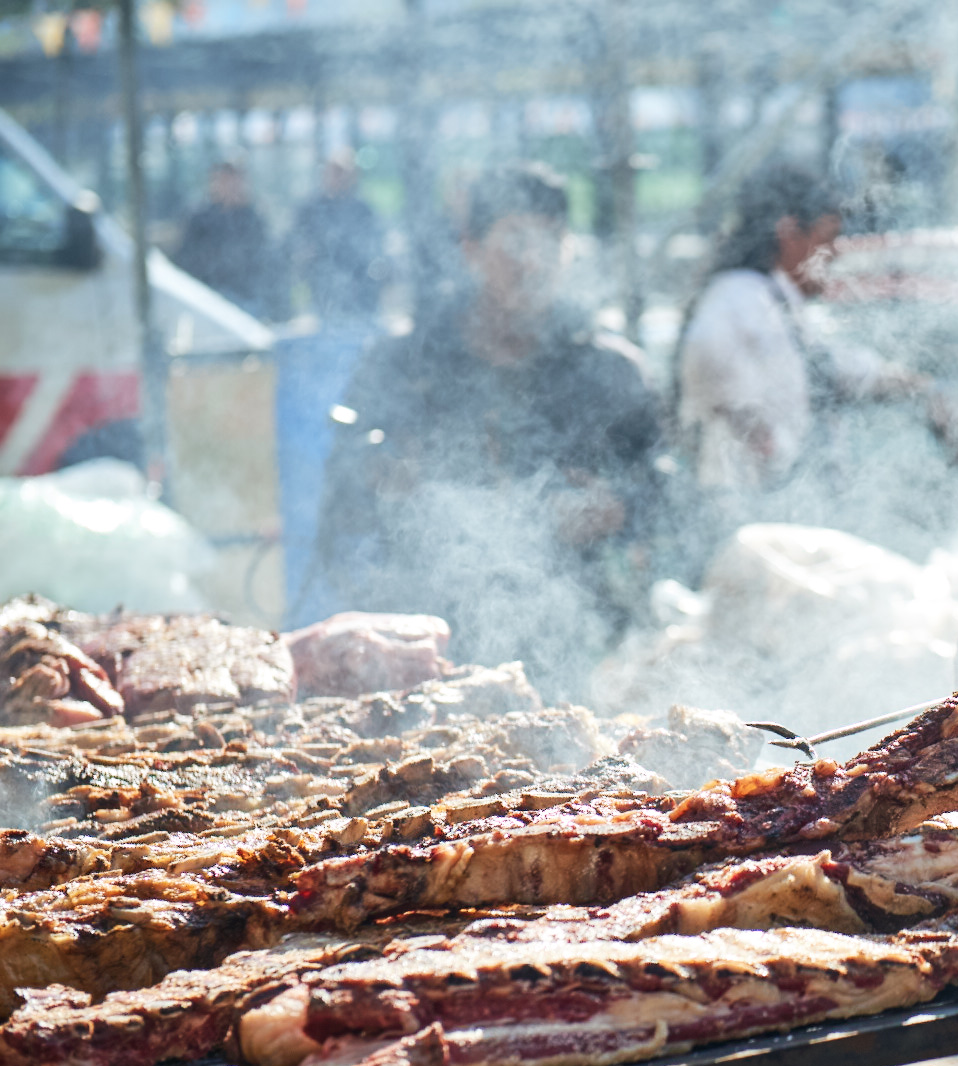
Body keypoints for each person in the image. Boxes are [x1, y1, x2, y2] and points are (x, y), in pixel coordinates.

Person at [303, 163, 664, 699]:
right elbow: (340, 494)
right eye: (515, 238)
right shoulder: (404, 363)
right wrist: (382, 477)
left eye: (551, 239)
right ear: (470, 247)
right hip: (427, 650)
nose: (534, 259)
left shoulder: (610, 372)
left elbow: (663, 486)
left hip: (582, 648)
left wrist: (617, 505)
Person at [675, 163, 958, 547]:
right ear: (789, 232)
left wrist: (922, 388)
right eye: (826, 238)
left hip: (777, 514)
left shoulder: (773, 302)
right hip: (749, 519)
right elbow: (709, 356)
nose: (833, 254)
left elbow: (831, 367)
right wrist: (762, 437)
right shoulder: (738, 296)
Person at [173, 159, 283, 320]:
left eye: (235, 180)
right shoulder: (199, 218)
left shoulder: (254, 218)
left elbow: (266, 260)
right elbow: (186, 259)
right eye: (224, 180)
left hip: (248, 297)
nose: (230, 186)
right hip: (208, 298)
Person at [288, 148, 385, 325]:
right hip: (321, 292)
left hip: (361, 295)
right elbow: (298, 247)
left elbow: (375, 251)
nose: (338, 178)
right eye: (334, 172)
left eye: (343, 173)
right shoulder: (309, 210)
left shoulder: (363, 210)